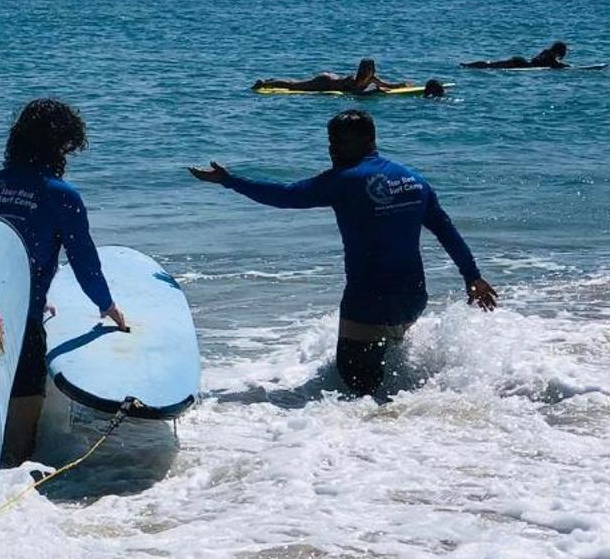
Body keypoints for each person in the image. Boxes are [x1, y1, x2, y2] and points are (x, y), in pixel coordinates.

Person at [187, 111, 498, 397]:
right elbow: (446, 231)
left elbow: (284, 196)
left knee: (355, 394)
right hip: (412, 297)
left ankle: (379, 441)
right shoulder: (414, 180)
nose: (333, 150)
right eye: (331, 142)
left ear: (367, 140)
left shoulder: (345, 180)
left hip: (368, 301)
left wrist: (229, 180)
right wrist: (472, 276)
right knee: (389, 377)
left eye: (340, 143)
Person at [0, 99, 127, 464]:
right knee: (21, 434)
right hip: (23, 326)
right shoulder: (61, 196)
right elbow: (84, 261)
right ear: (57, 147)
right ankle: (18, 491)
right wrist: (107, 305)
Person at [254, 58, 446, 97]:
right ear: (365, 69)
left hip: (332, 80)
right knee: (295, 86)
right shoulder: (355, 79)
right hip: (326, 81)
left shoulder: (371, 78)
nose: (372, 71)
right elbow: (356, 93)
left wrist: (400, 85)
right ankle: (264, 83)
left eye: (373, 68)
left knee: (296, 85)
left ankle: (270, 79)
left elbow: (386, 85)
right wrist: (375, 93)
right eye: (370, 68)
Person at [462, 40, 571, 69]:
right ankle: (469, 65)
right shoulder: (550, 57)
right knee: (490, 65)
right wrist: (568, 67)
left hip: (521, 61)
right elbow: (555, 65)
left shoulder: (546, 52)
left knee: (490, 64)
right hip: (521, 64)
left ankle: (469, 65)